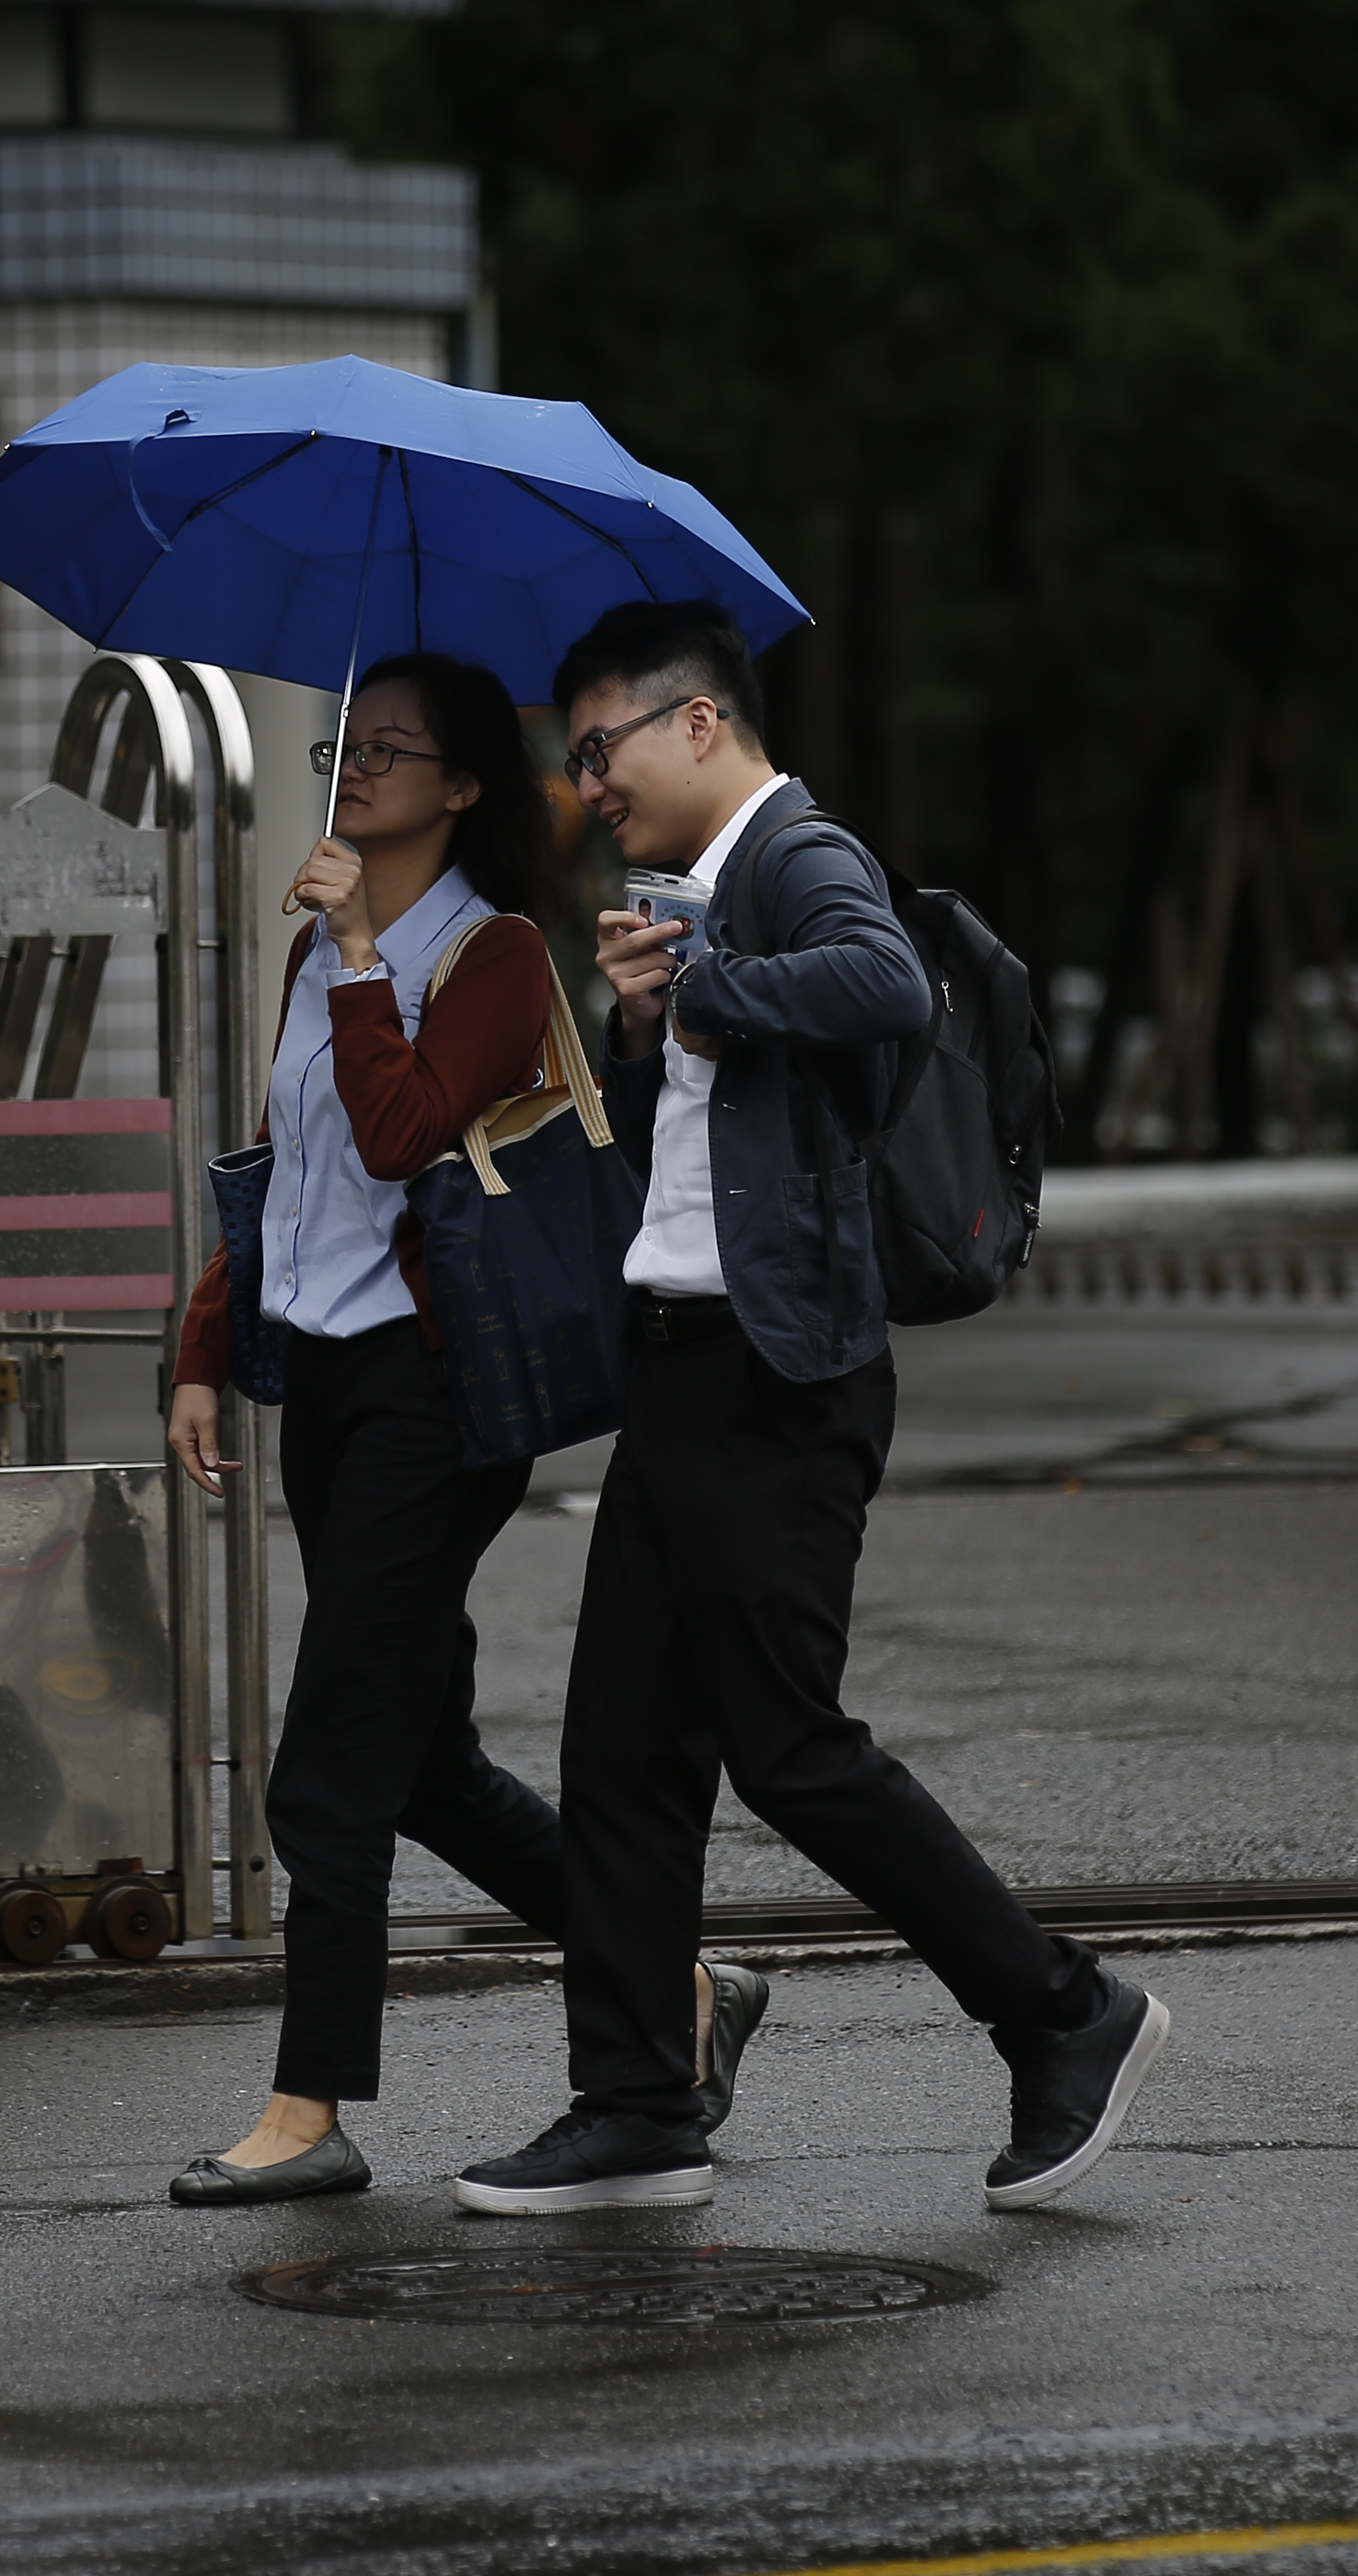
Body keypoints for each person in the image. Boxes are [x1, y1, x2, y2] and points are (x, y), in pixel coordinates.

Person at [450, 602, 1165, 2219]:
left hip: (780, 1381)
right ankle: (635, 2101)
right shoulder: (710, 897)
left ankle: (1066, 2013)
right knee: (627, 1749)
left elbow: (882, 985)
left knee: (789, 1747)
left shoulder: (794, 852)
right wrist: (651, 1026)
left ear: (699, 725)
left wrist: (702, 987)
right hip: (694, 1366)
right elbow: (706, 1144)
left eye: (601, 748)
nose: (587, 787)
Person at [160, 650, 770, 2205]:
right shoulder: (321, 953)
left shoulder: (490, 956)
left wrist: (360, 947)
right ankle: (682, 1986)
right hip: (330, 1387)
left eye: (389, 750)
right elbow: (293, 1171)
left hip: (442, 1403)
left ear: (463, 784)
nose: (352, 771)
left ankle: (310, 2113)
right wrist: (201, 1348)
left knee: (329, 1766)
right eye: (344, 749)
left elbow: (404, 1129)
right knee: (421, 1764)